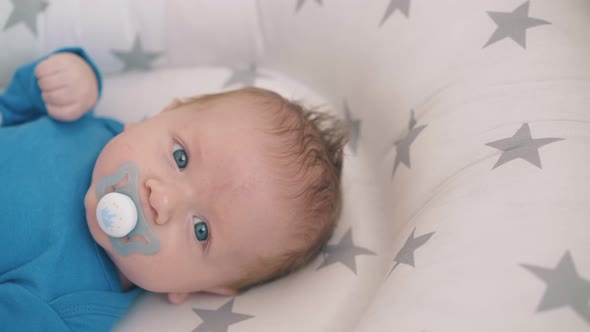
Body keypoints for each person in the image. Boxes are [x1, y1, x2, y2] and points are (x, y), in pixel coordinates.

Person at [0, 48, 349, 331]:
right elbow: (15, 106)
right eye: (180, 157)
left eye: (201, 231)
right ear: (161, 115)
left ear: (196, 287)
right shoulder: (95, 128)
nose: (162, 199)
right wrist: (70, 77)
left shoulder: (69, 309)